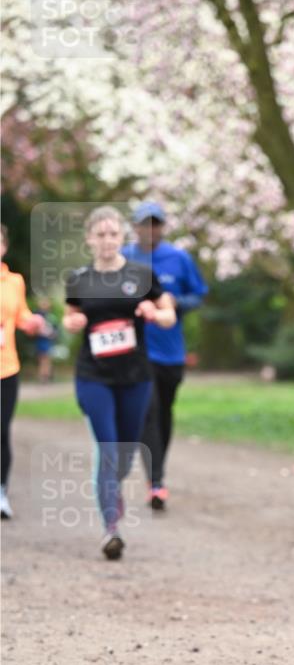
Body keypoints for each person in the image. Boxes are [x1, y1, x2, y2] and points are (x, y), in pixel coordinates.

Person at [63, 206, 176, 560]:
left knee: (125, 454)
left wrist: (155, 313)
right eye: (100, 234)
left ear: (122, 237)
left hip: (135, 377)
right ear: (89, 239)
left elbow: (169, 314)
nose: (107, 241)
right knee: (108, 450)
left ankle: (113, 494)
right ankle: (111, 529)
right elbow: (70, 315)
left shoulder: (141, 275)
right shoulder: (79, 278)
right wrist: (73, 323)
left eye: (113, 234)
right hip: (93, 376)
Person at [122, 201, 208, 510]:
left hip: (171, 353)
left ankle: (157, 470)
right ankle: (155, 482)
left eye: (155, 223)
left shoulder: (179, 258)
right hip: (137, 351)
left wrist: (176, 302)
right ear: (135, 227)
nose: (150, 229)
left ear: (162, 226)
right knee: (149, 412)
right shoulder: (124, 258)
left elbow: (199, 295)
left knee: (164, 414)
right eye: (144, 223)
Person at [1, 225, 47, 519]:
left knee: (1, 430)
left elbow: (21, 316)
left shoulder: (14, 281)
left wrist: (33, 323)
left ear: (4, 247)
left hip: (6, 368)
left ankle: (1, 492)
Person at [34, 296, 58, 383]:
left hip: (48, 341)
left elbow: (56, 330)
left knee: (46, 359)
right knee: (42, 359)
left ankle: (46, 376)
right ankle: (44, 376)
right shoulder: (37, 315)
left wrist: (52, 334)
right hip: (41, 340)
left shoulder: (51, 317)